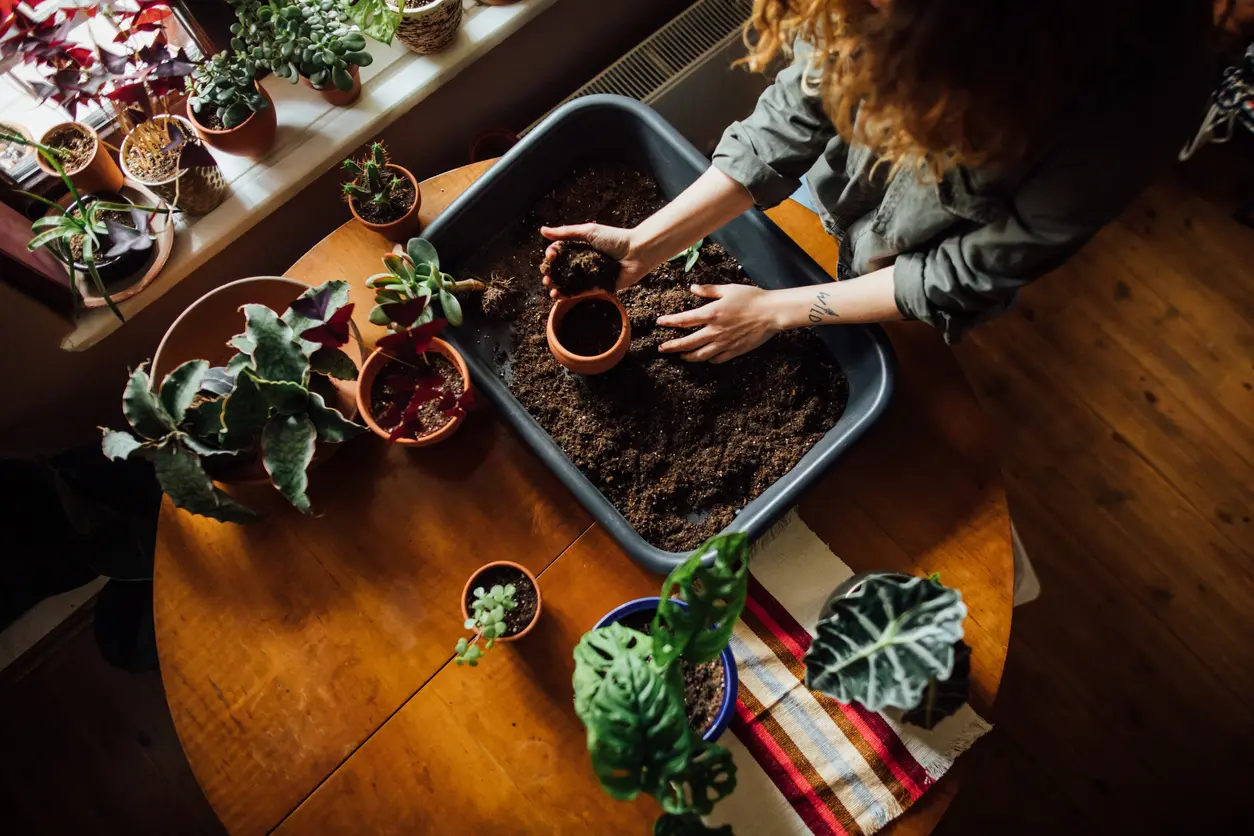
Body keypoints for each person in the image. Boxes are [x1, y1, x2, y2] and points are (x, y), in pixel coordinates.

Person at [541, 0, 1243, 364]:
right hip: (844, 209)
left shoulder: (1135, 106)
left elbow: (964, 274)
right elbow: (803, 103)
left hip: (898, 269)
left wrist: (775, 313)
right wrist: (648, 245)